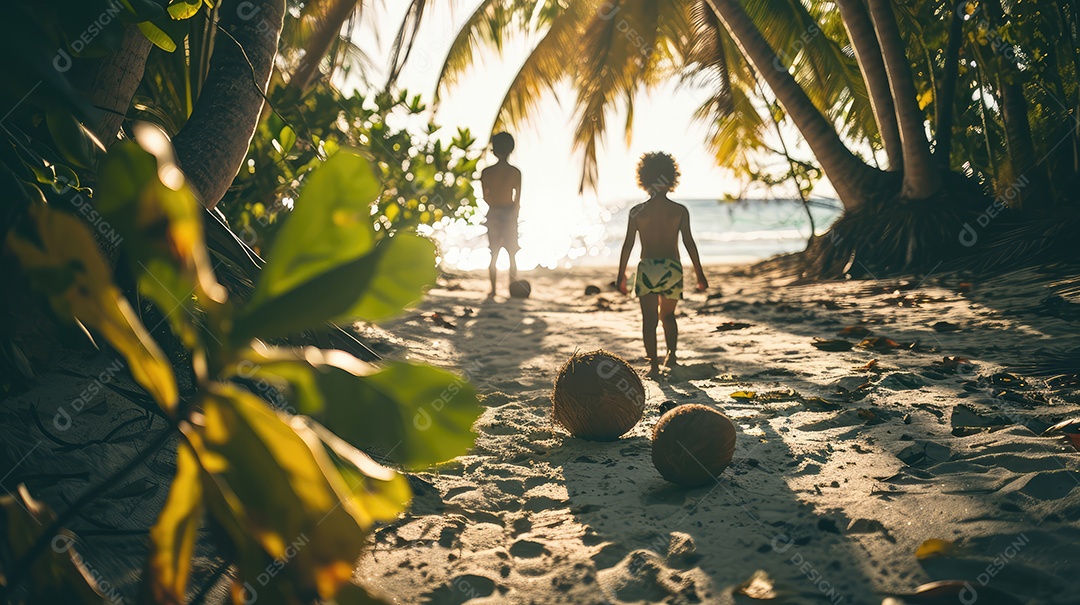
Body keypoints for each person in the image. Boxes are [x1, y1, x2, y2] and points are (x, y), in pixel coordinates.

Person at [617, 152, 708, 373]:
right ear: (671, 179)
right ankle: (672, 357)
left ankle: (654, 367)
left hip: (648, 268)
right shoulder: (679, 211)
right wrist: (700, 274)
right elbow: (689, 243)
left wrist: (620, 276)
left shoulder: (637, 212)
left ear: (645, 180)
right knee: (668, 316)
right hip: (671, 268)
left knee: (649, 320)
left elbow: (627, 246)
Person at [480, 132, 522, 297]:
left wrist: (497, 211)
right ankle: (511, 288)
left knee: (494, 253)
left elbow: (486, 196)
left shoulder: (487, 172)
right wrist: (511, 215)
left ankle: (494, 290)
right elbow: (517, 200)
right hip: (509, 213)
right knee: (511, 254)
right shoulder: (515, 172)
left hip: (495, 213)